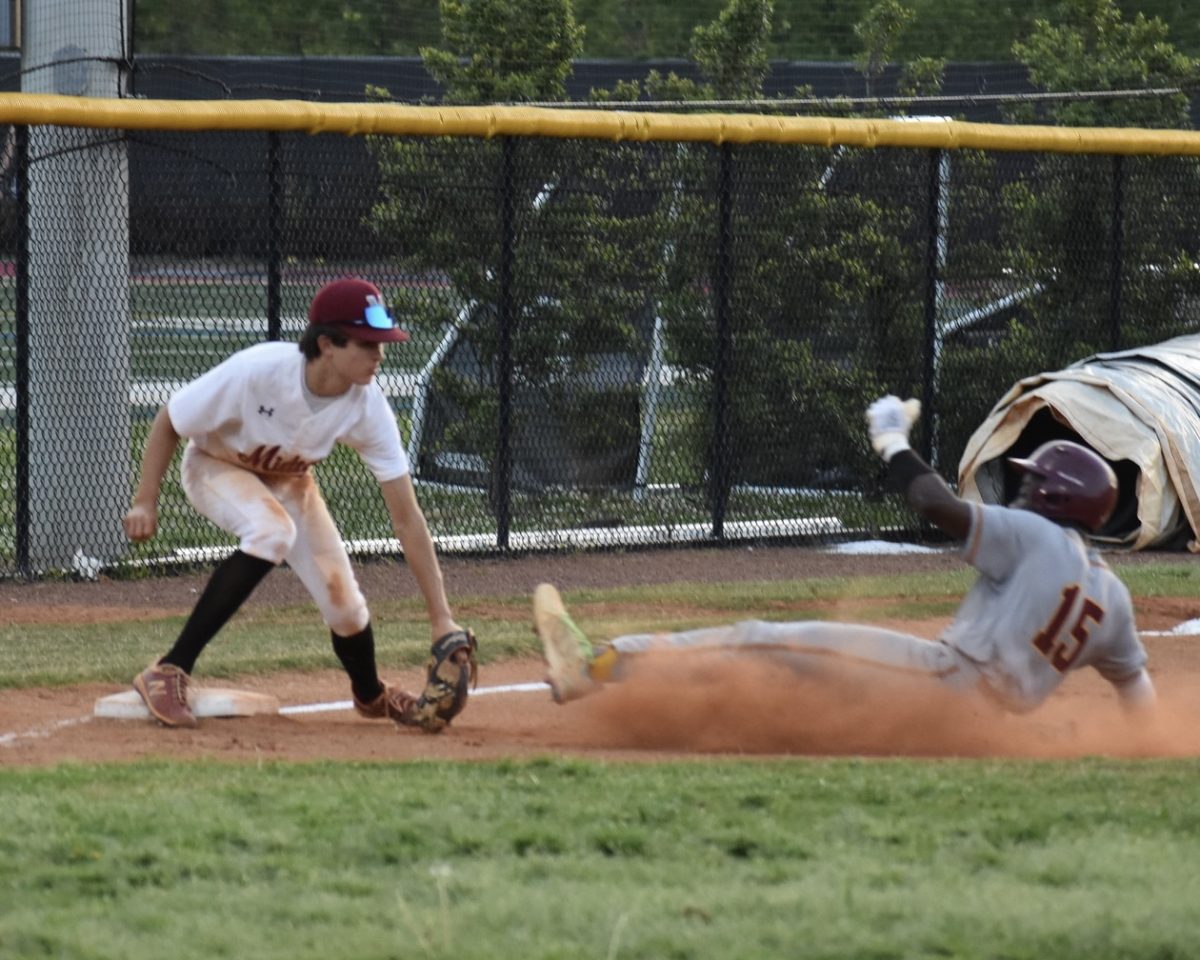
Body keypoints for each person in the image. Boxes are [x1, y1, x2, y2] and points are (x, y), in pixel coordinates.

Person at [533, 395, 1157, 725]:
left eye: (1029, 482)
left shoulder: (1035, 536)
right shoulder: (1114, 598)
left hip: (944, 681)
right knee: (797, 684)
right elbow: (1135, 689)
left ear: (1051, 496)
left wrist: (892, 441)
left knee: (764, 641)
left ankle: (596, 666)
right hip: (981, 723)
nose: (1019, 490)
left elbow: (937, 505)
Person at [124, 276, 473, 730]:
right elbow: (169, 420)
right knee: (271, 531)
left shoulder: (367, 407)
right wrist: (145, 500)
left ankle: (370, 695)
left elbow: (407, 517)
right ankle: (168, 669)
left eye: (381, 343)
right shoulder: (258, 371)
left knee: (345, 605)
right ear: (327, 343)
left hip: (290, 482)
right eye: (366, 344)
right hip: (214, 465)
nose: (380, 355)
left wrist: (441, 617)